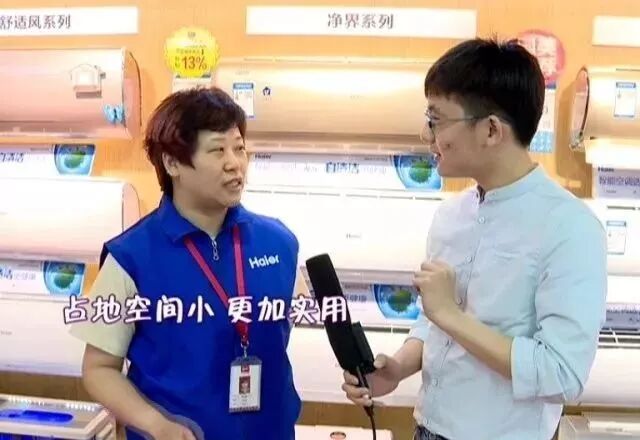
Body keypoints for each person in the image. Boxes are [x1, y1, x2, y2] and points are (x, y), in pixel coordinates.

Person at [341, 37, 608, 440]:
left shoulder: (570, 228)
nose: (426, 134)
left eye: (436, 119)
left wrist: (452, 315)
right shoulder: (451, 215)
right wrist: (397, 368)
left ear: (491, 130)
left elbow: (561, 373)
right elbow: (433, 321)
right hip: (427, 427)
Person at [69, 86, 309, 440]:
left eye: (239, 148)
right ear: (172, 163)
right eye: (217, 150)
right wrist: (155, 424)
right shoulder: (130, 257)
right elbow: (99, 369)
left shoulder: (280, 243)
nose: (235, 163)